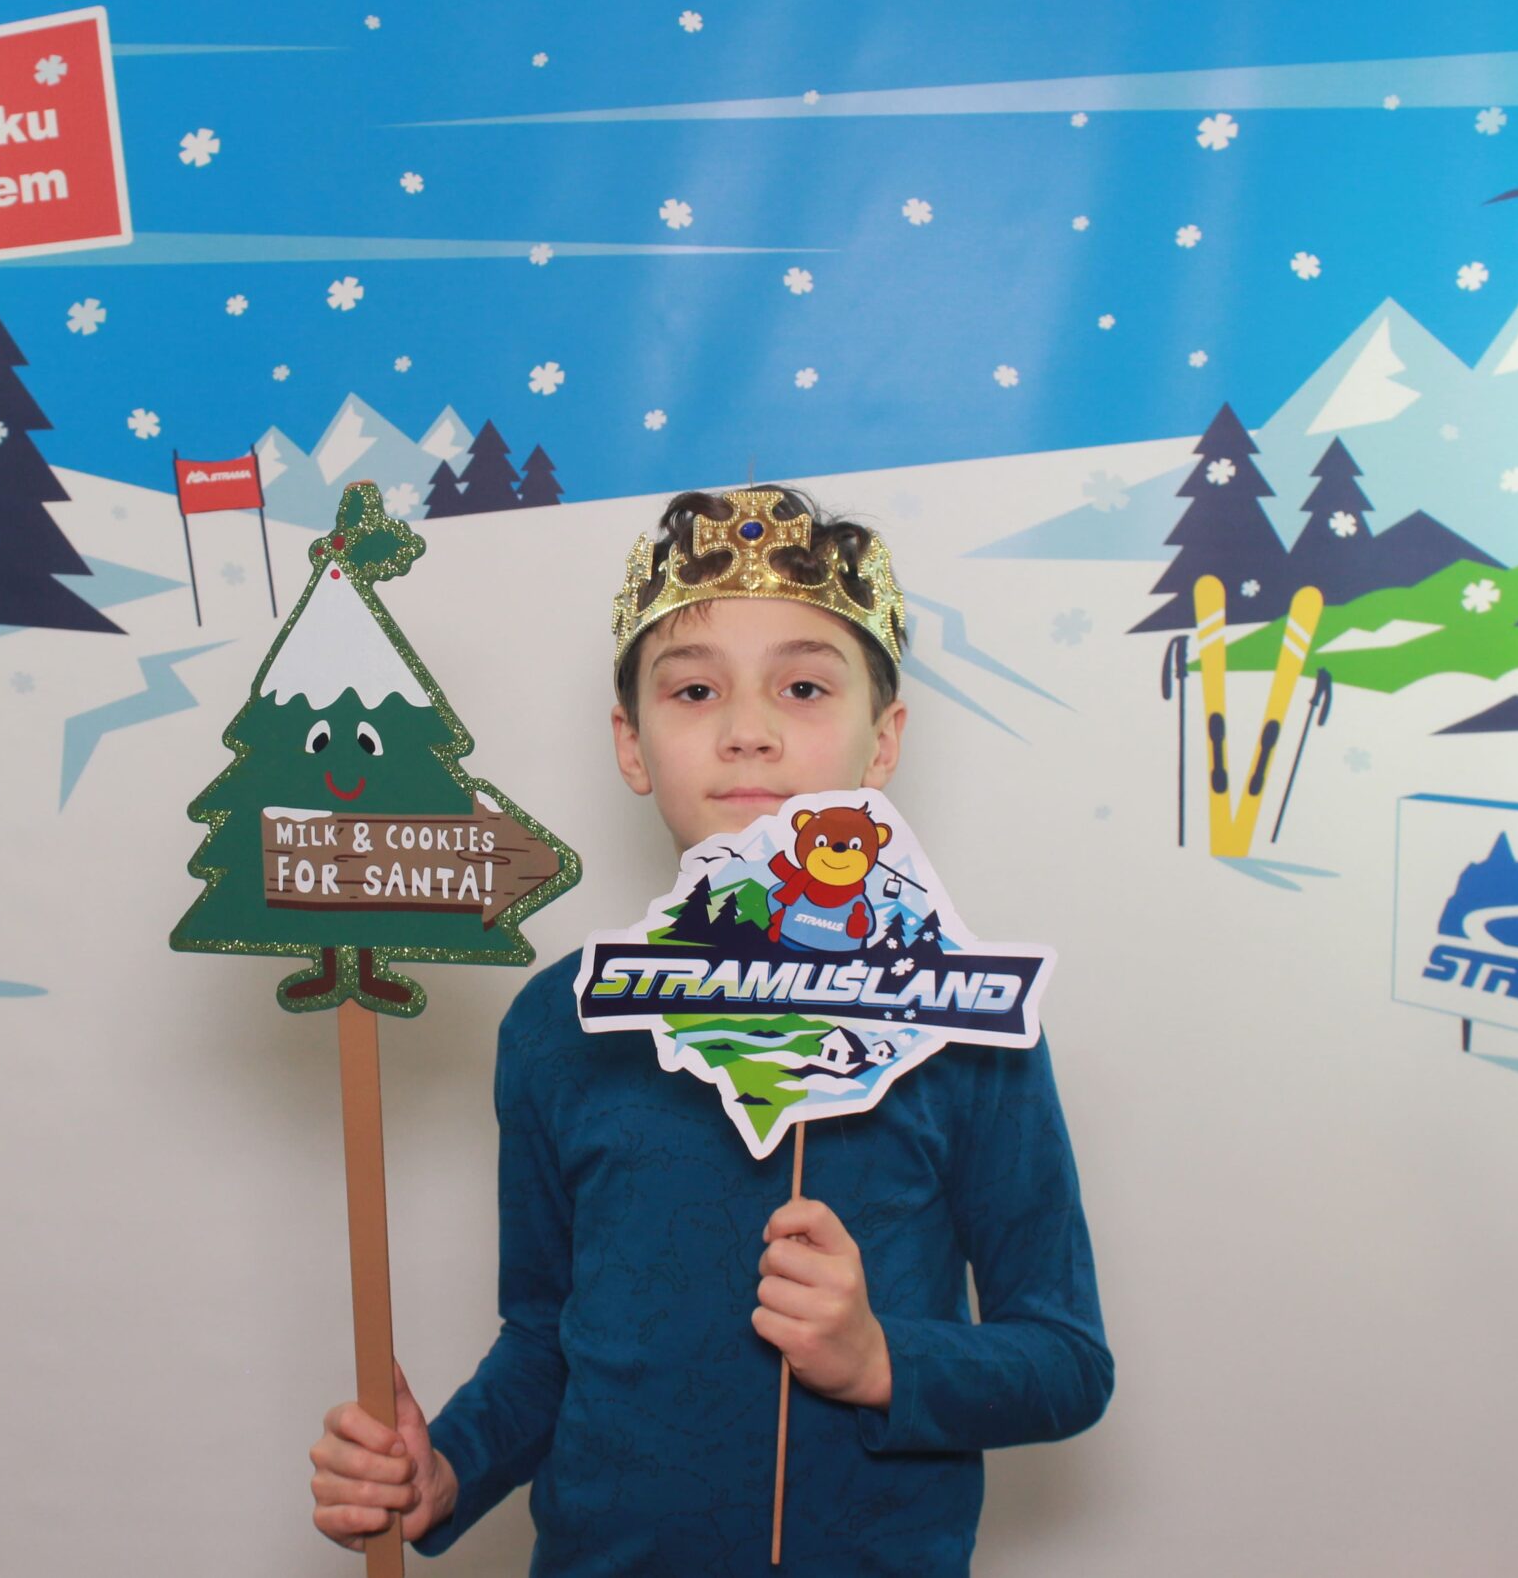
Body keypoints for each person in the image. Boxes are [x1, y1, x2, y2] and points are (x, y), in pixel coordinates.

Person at [308, 485, 1112, 1573]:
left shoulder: (966, 1024)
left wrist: (881, 1360)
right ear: (632, 744)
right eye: (693, 690)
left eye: (803, 687)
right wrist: (446, 1467)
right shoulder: (562, 1023)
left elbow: (1066, 1361)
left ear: (882, 742)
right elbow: (545, 1339)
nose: (747, 731)